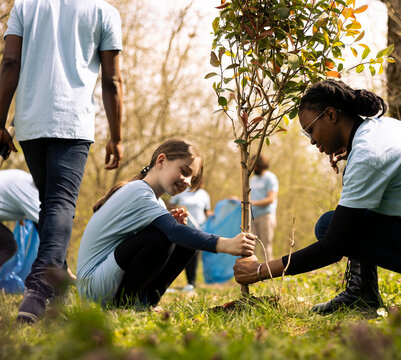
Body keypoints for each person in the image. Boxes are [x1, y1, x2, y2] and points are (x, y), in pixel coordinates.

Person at [234, 79, 401, 314]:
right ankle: (363, 293)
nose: (312, 141)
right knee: (347, 219)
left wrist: (261, 271)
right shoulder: (381, 129)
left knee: (329, 226)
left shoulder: (368, 153)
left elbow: (334, 246)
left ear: (330, 115)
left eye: (310, 131)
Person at [0, 0, 124, 323]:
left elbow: (10, 62)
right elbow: (113, 81)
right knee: (59, 205)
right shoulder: (104, 12)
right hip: (72, 123)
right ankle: (39, 290)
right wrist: (116, 136)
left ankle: (56, 285)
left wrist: (0, 122)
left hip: (30, 123)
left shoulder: (24, 6)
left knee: (50, 205)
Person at [76, 139, 257, 308]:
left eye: (192, 179)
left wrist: (169, 226)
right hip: (93, 287)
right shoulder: (139, 191)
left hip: (106, 280)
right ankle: (123, 305)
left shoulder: (155, 201)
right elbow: (171, 233)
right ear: (161, 161)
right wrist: (225, 244)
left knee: (186, 243)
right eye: (184, 171)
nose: (186, 182)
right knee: (163, 238)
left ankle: (145, 303)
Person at [0, 169, 76, 281]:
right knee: (8, 246)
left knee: (6, 244)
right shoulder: (30, 192)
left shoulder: (24, 179)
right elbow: (49, 232)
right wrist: (65, 269)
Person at [168, 185, 213, 292]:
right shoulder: (181, 191)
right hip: (184, 227)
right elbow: (172, 204)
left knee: (194, 254)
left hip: (199, 228)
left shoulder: (203, 194)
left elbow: (207, 212)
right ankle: (169, 281)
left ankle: (191, 283)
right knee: (181, 253)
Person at [249, 155, 279, 260]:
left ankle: (269, 272)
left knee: (265, 246)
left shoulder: (270, 178)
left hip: (266, 216)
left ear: (260, 164)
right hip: (252, 217)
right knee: (250, 247)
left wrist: (253, 203)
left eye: (254, 165)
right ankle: (252, 273)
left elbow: (271, 199)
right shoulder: (252, 179)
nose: (252, 167)